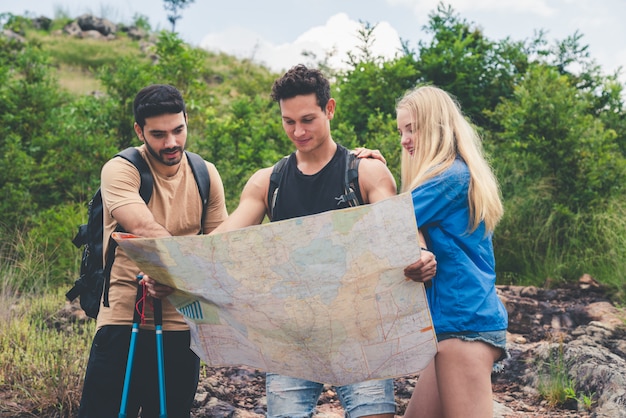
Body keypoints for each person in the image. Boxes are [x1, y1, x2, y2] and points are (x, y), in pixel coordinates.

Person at [147, 65, 436, 418]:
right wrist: (171, 269)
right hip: (291, 340)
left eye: (308, 119)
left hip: (360, 337)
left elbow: (400, 231)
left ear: (329, 109)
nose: (298, 131)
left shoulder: (366, 172)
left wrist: (420, 256)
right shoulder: (267, 182)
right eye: (288, 121)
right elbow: (218, 244)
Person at [78, 84, 228, 417]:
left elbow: (219, 249)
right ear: (139, 130)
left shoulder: (206, 174)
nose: (171, 142)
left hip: (184, 322)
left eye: (178, 130)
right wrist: (180, 268)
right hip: (122, 318)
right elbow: (143, 228)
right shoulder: (120, 169)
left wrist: (175, 278)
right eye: (159, 134)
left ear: (187, 120)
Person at [396, 85, 509, 418]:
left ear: (436, 126)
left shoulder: (449, 177)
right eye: (400, 130)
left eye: (412, 128)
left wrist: (368, 174)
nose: (404, 139)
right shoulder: (455, 175)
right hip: (451, 328)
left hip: (464, 328)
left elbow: (386, 222)